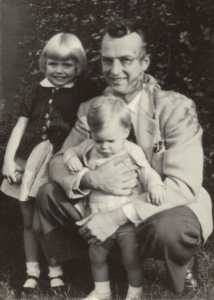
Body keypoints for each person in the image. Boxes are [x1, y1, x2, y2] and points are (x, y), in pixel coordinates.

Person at [35, 20, 213, 297]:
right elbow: (58, 161)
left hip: (157, 209)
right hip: (100, 203)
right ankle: (86, 264)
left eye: (125, 60)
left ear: (145, 62)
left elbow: (184, 184)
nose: (115, 71)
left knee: (172, 228)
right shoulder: (93, 109)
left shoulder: (176, 108)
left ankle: (183, 264)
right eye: (107, 61)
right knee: (48, 193)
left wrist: (117, 216)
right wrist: (89, 178)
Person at [1, 32, 101, 292]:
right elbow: (20, 127)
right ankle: (31, 271)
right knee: (27, 219)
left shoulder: (82, 93)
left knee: (44, 219)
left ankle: (55, 270)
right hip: (29, 161)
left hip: (56, 164)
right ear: (44, 62)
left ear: (78, 65)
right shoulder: (33, 91)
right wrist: (9, 160)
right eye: (53, 63)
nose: (59, 70)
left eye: (67, 64)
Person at [63, 95, 165, 300]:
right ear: (91, 134)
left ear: (126, 132)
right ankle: (102, 292)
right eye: (99, 140)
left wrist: (155, 185)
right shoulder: (89, 146)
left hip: (125, 221)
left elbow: (147, 172)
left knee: (131, 258)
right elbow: (69, 151)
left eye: (111, 141)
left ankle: (135, 293)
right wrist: (71, 158)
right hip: (98, 217)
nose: (104, 146)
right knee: (96, 256)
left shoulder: (131, 150)